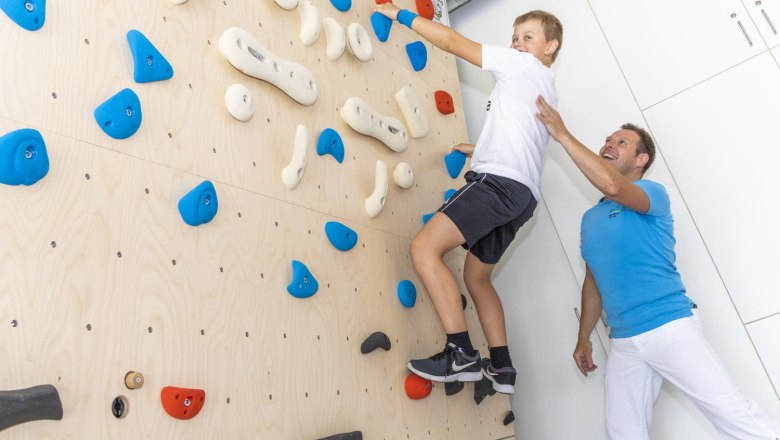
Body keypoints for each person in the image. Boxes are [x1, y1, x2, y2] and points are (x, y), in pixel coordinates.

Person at [534, 96, 780, 439]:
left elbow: (612, 186)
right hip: (625, 342)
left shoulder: (651, 193)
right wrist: (584, 337)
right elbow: (594, 281)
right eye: (608, 139)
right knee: (623, 432)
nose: (609, 144)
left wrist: (562, 134)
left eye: (622, 142)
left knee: (734, 414)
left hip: (670, 328)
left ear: (641, 159)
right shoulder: (590, 219)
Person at [375, 3, 563, 394]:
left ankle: (459, 354)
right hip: (522, 196)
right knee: (477, 278)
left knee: (424, 248)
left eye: (528, 37)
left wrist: (400, 15)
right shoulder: (544, 86)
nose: (517, 44)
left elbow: (453, 41)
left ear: (551, 46)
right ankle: (502, 367)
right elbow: (520, 141)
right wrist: (478, 149)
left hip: (498, 184)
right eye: (515, 38)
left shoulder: (521, 65)